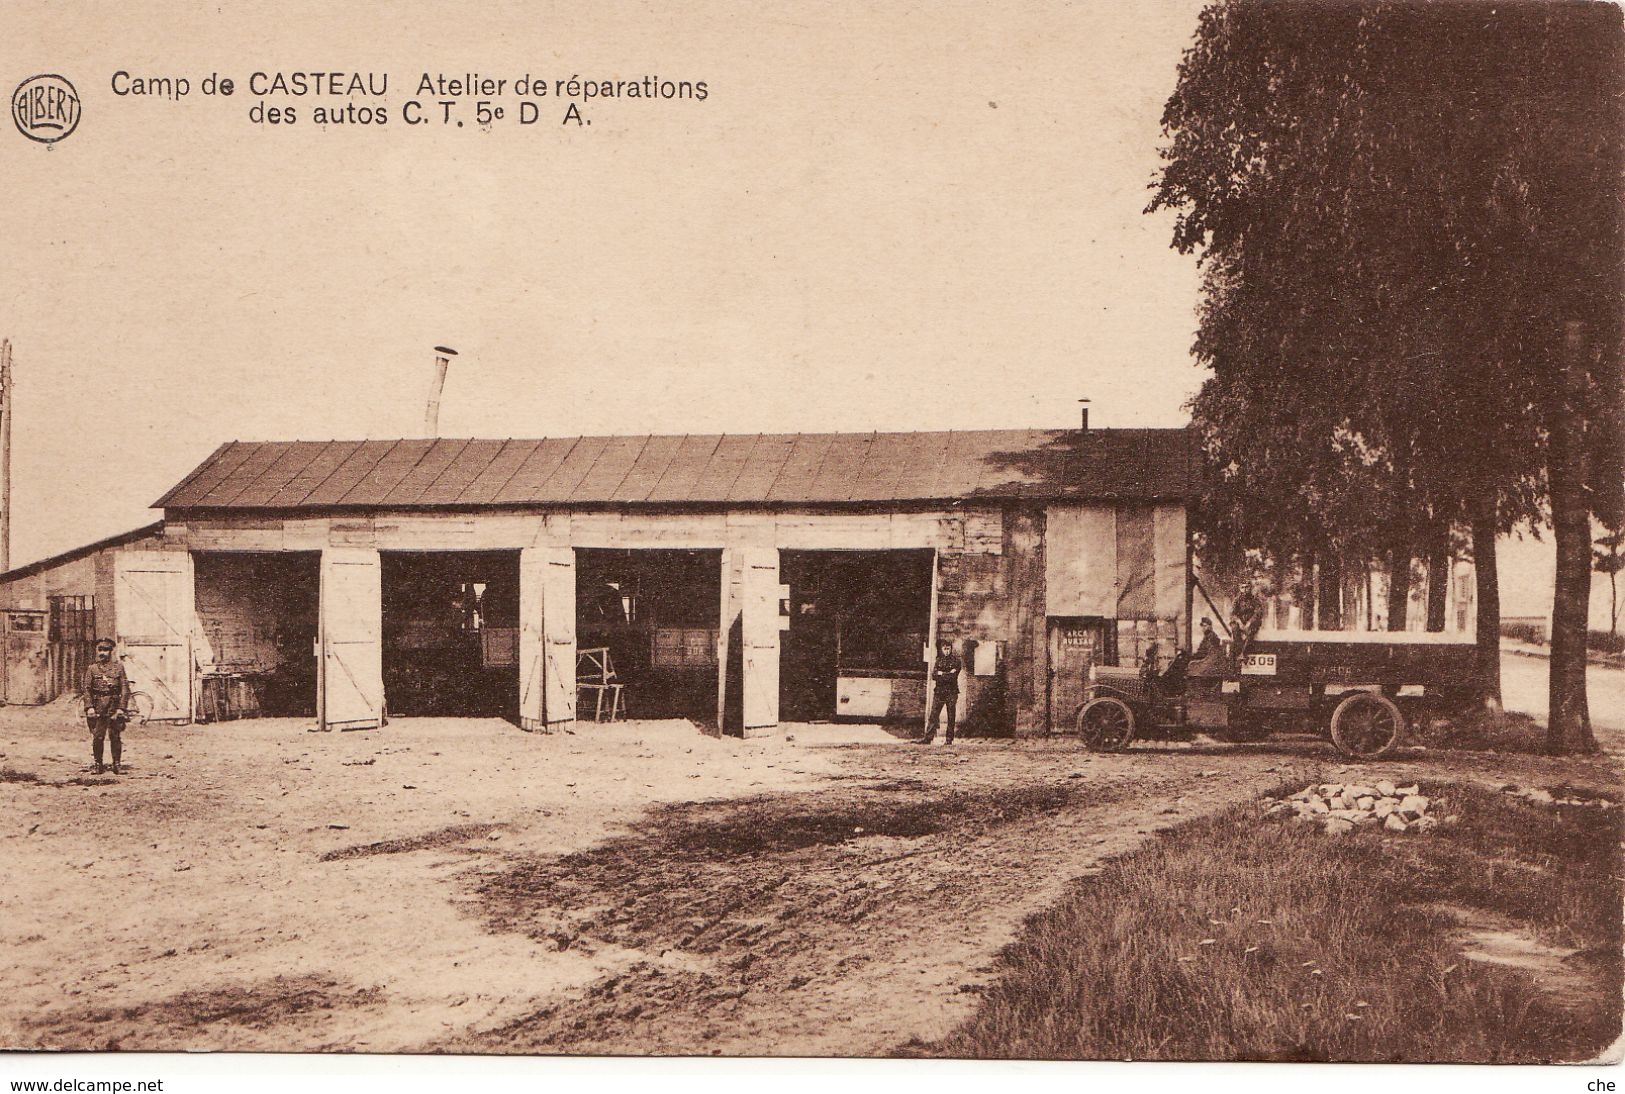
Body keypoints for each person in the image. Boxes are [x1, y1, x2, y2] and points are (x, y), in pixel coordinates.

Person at [82, 638, 131, 775]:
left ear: (111, 651)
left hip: (114, 707)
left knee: (115, 736)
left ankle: (117, 764)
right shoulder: (92, 669)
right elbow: (87, 690)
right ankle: (98, 764)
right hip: (98, 708)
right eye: (100, 650)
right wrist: (89, 707)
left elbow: (125, 688)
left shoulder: (119, 667)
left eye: (106, 650)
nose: (102, 653)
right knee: (98, 737)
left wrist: (121, 708)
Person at [919, 639, 963, 745]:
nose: (947, 651)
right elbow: (934, 676)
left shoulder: (956, 661)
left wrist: (941, 674)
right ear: (942, 649)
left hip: (951, 693)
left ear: (951, 649)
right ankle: (928, 738)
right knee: (934, 715)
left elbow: (952, 677)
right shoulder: (938, 660)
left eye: (948, 649)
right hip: (939, 692)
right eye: (945, 649)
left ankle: (949, 739)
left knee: (951, 716)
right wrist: (946, 673)